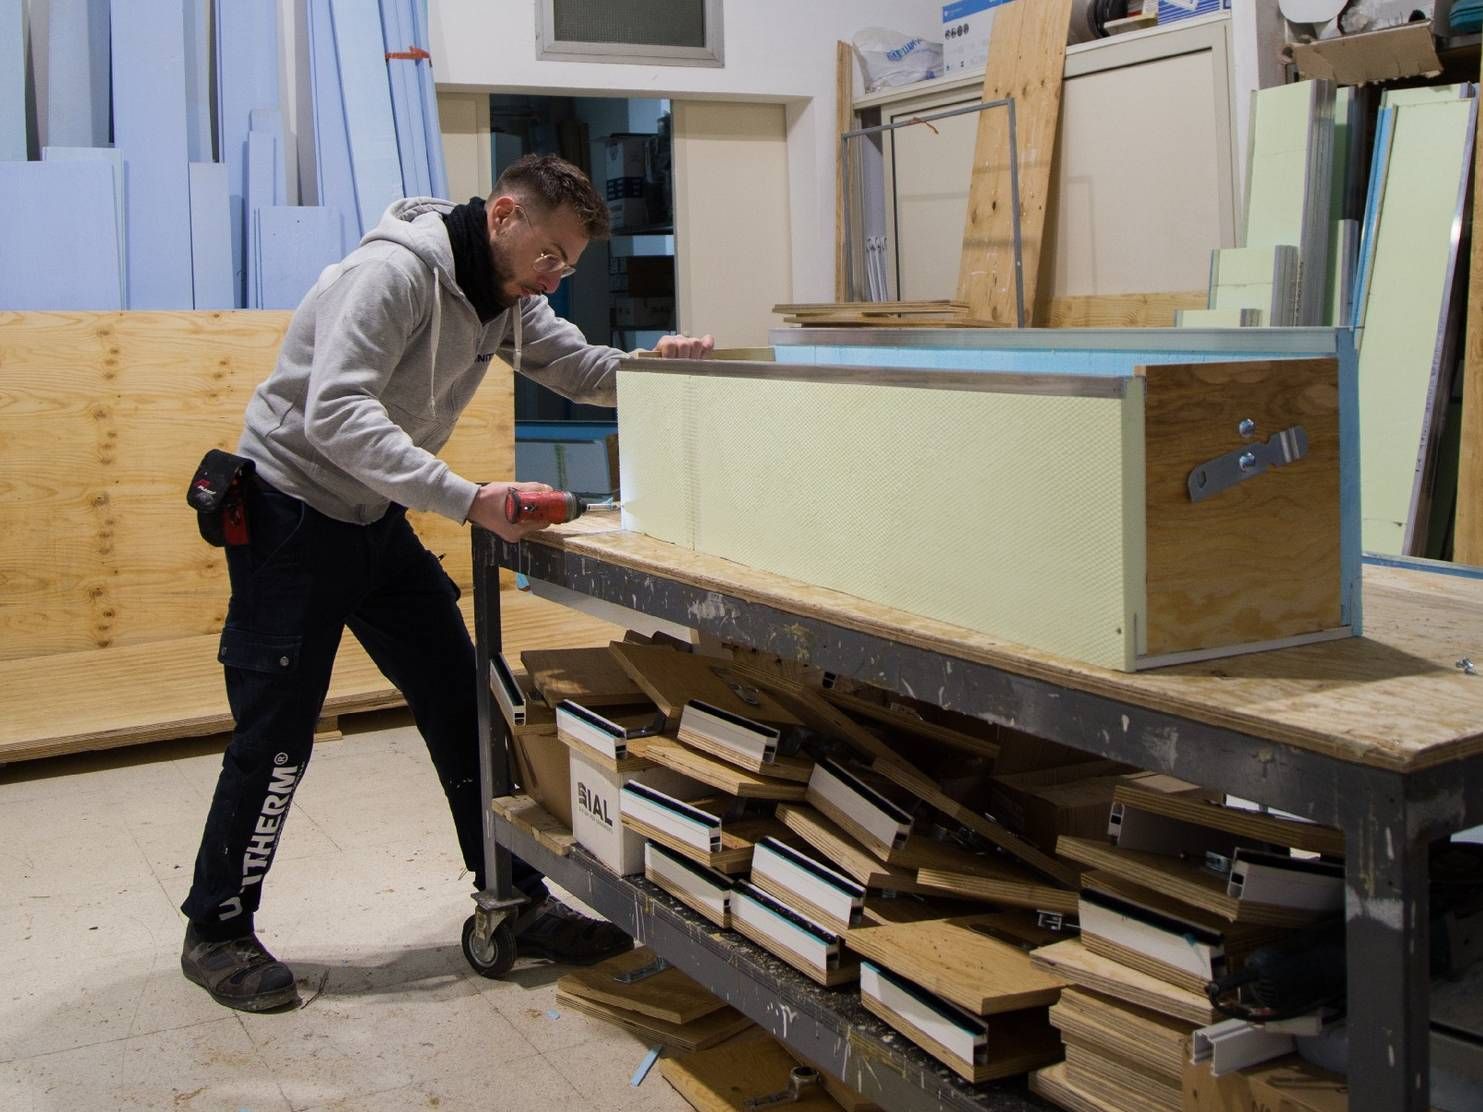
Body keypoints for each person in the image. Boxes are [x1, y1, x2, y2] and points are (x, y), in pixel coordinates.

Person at [180, 153, 715, 1012]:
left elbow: (578, 370)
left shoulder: (505, 296)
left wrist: (665, 372)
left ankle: (514, 895)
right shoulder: (390, 274)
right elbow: (336, 414)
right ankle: (217, 927)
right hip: (290, 512)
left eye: (570, 264)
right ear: (503, 214)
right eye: (550, 255)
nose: (557, 277)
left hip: (371, 517)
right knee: (276, 734)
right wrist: (469, 501)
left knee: (461, 699)